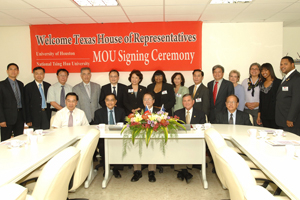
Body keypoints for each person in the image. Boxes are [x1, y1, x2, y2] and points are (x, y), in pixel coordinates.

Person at [173, 94, 205, 183]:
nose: (186, 103)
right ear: (182, 103)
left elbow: (202, 128)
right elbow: (175, 127)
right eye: (184, 101)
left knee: (188, 146)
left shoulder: (200, 113)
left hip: (194, 140)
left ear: (193, 102)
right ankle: (185, 171)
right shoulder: (177, 113)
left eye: (188, 100)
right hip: (181, 139)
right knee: (179, 146)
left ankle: (182, 171)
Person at [94, 93, 126, 178]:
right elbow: (96, 127)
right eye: (107, 100)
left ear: (115, 101)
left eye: (112, 100)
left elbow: (125, 125)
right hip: (104, 138)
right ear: (105, 101)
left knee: (119, 145)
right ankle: (106, 168)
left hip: (118, 136)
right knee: (103, 146)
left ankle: (116, 168)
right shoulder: (98, 112)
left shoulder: (121, 111)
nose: (110, 102)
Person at [131, 92, 160, 183]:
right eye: (145, 99)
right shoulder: (138, 112)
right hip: (140, 137)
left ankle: (151, 171)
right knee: (135, 146)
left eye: (149, 99)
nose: (147, 101)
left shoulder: (159, 112)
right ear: (142, 101)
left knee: (153, 147)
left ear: (153, 101)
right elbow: (133, 125)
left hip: (155, 137)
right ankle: (137, 171)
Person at [0, 63, 26, 141]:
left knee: (19, 139)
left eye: (15, 69)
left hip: (20, 117)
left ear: (18, 71)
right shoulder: (1, 85)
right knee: (5, 140)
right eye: (11, 69)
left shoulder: (21, 84)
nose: (13, 71)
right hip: (7, 118)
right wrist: (1, 119)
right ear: (7, 71)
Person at [276, 56, 300, 135]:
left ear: (292, 64)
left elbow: (296, 100)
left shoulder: (297, 78)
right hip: (282, 118)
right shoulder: (286, 77)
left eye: (285, 64)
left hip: (290, 121)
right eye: (281, 64)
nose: (282, 66)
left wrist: (290, 118)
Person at [256, 63, 281, 128]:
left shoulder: (278, 82)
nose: (263, 72)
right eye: (262, 71)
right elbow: (261, 100)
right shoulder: (261, 83)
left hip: (275, 115)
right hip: (264, 115)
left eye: (266, 70)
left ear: (270, 70)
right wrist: (259, 116)